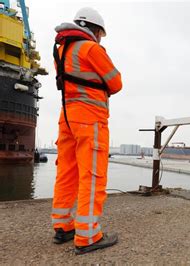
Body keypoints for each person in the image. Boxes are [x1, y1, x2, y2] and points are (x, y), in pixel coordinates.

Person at [51, 7, 122, 255]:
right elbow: (116, 82)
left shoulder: (60, 49)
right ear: (95, 30)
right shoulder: (91, 49)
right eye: (100, 33)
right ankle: (88, 235)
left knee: (66, 172)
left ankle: (63, 226)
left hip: (66, 117)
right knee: (92, 176)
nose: (101, 38)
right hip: (89, 118)